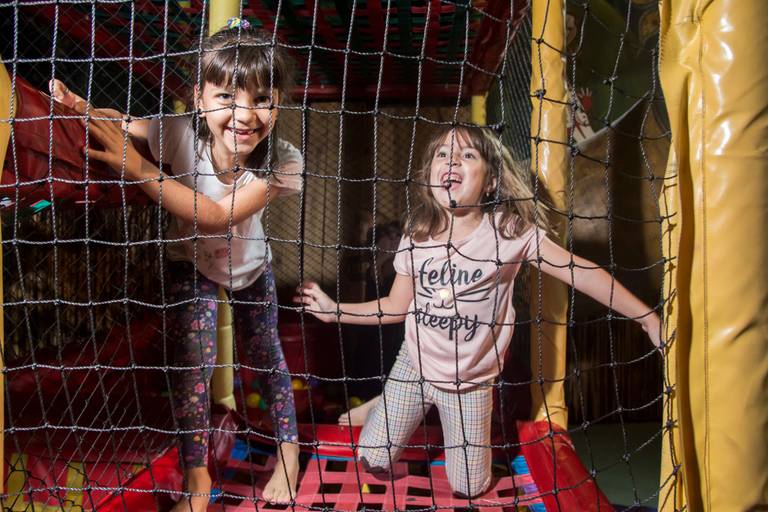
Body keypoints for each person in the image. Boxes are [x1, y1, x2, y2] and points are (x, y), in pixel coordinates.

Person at [297, 125, 661, 498]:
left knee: (469, 488)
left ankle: (389, 404)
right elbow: (394, 307)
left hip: (470, 382)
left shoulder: (508, 233)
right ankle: (388, 404)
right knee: (372, 459)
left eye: (467, 155)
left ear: (490, 182)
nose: (452, 159)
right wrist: (333, 310)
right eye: (442, 154)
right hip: (416, 364)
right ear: (429, 176)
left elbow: (580, 271)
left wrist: (646, 317)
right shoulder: (417, 235)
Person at [52, 19, 302, 511]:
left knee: (266, 355)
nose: (244, 114)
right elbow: (122, 121)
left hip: (251, 267)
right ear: (198, 97)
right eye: (227, 97)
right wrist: (79, 107)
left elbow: (215, 215)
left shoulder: (284, 161)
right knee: (192, 368)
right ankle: (197, 476)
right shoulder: (178, 132)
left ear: (278, 103)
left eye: (261, 98)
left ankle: (289, 454)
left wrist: (139, 170)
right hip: (191, 266)